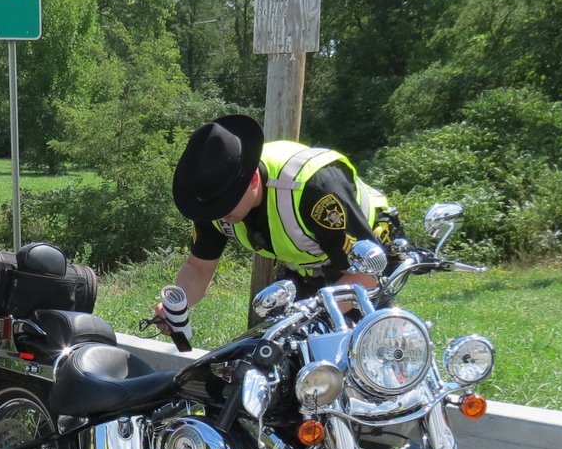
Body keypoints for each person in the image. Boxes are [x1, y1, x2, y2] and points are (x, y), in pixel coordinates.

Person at [159, 114, 401, 324]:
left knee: (362, 350)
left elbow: (365, 277)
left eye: (226, 203)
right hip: (309, 266)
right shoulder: (210, 196)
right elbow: (199, 267)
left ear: (252, 180)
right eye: (214, 208)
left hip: (367, 254)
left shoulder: (314, 191)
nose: (220, 216)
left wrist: (309, 319)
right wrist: (175, 307)